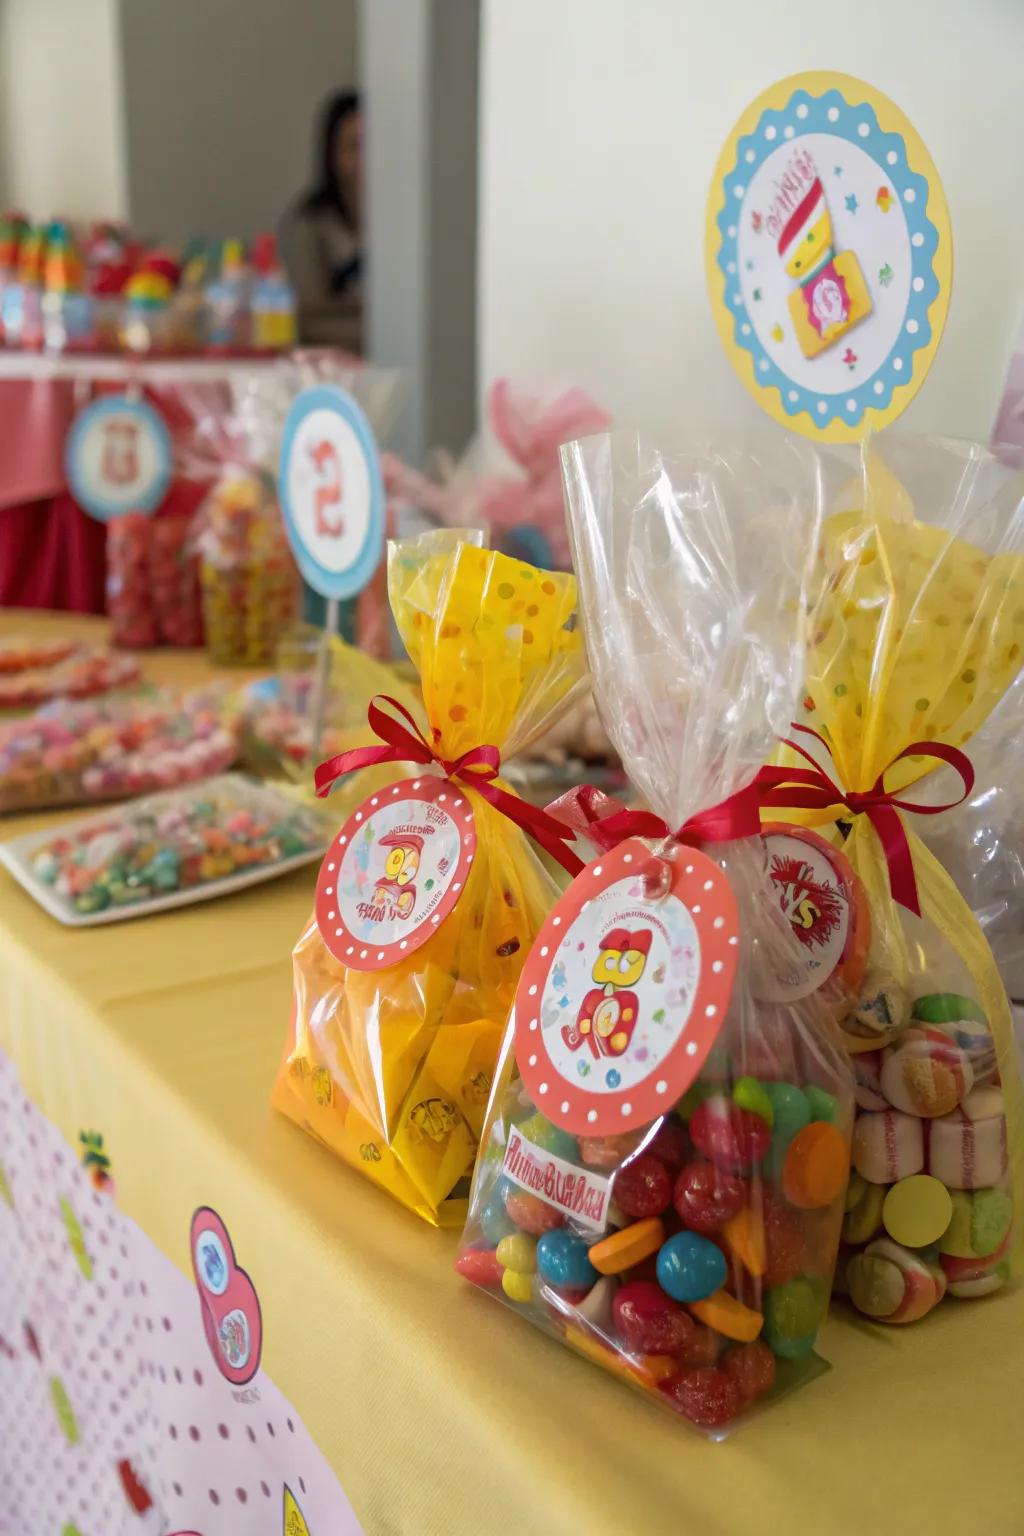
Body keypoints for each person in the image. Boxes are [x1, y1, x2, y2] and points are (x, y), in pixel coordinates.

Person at [282, 90, 363, 351]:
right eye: (355, 147)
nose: (366, 160)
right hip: (335, 358)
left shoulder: (404, 221)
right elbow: (309, 317)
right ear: (333, 154)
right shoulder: (311, 222)